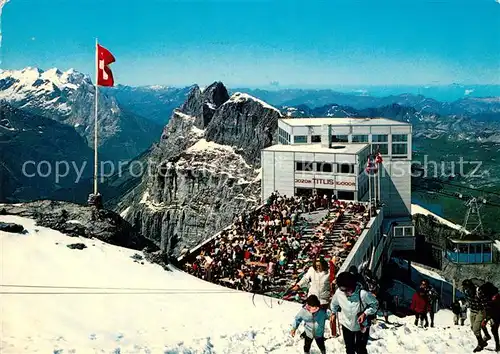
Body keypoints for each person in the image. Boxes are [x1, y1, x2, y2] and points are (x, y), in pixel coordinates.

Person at [330, 271, 379, 354]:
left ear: (352, 286)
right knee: (349, 349)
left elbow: (375, 304)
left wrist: (365, 313)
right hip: (347, 325)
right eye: (343, 290)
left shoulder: (363, 294)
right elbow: (334, 304)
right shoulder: (339, 293)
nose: (345, 293)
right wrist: (333, 313)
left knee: (360, 349)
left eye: (347, 290)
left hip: (361, 326)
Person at [463, 279, 490, 352]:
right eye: (465, 287)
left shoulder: (478, 291)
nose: (466, 289)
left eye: (467, 287)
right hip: (472, 310)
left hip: (480, 311)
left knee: (476, 329)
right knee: (473, 327)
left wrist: (487, 315)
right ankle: (486, 337)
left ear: (470, 286)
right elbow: (468, 300)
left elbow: (485, 303)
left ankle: (480, 344)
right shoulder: (466, 291)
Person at [479, 282, 500, 352]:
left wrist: (486, 319)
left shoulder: (494, 297)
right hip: (493, 314)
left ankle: (497, 347)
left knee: (494, 329)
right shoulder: (491, 295)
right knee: (493, 329)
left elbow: (493, 309)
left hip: (496, 314)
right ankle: (497, 346)